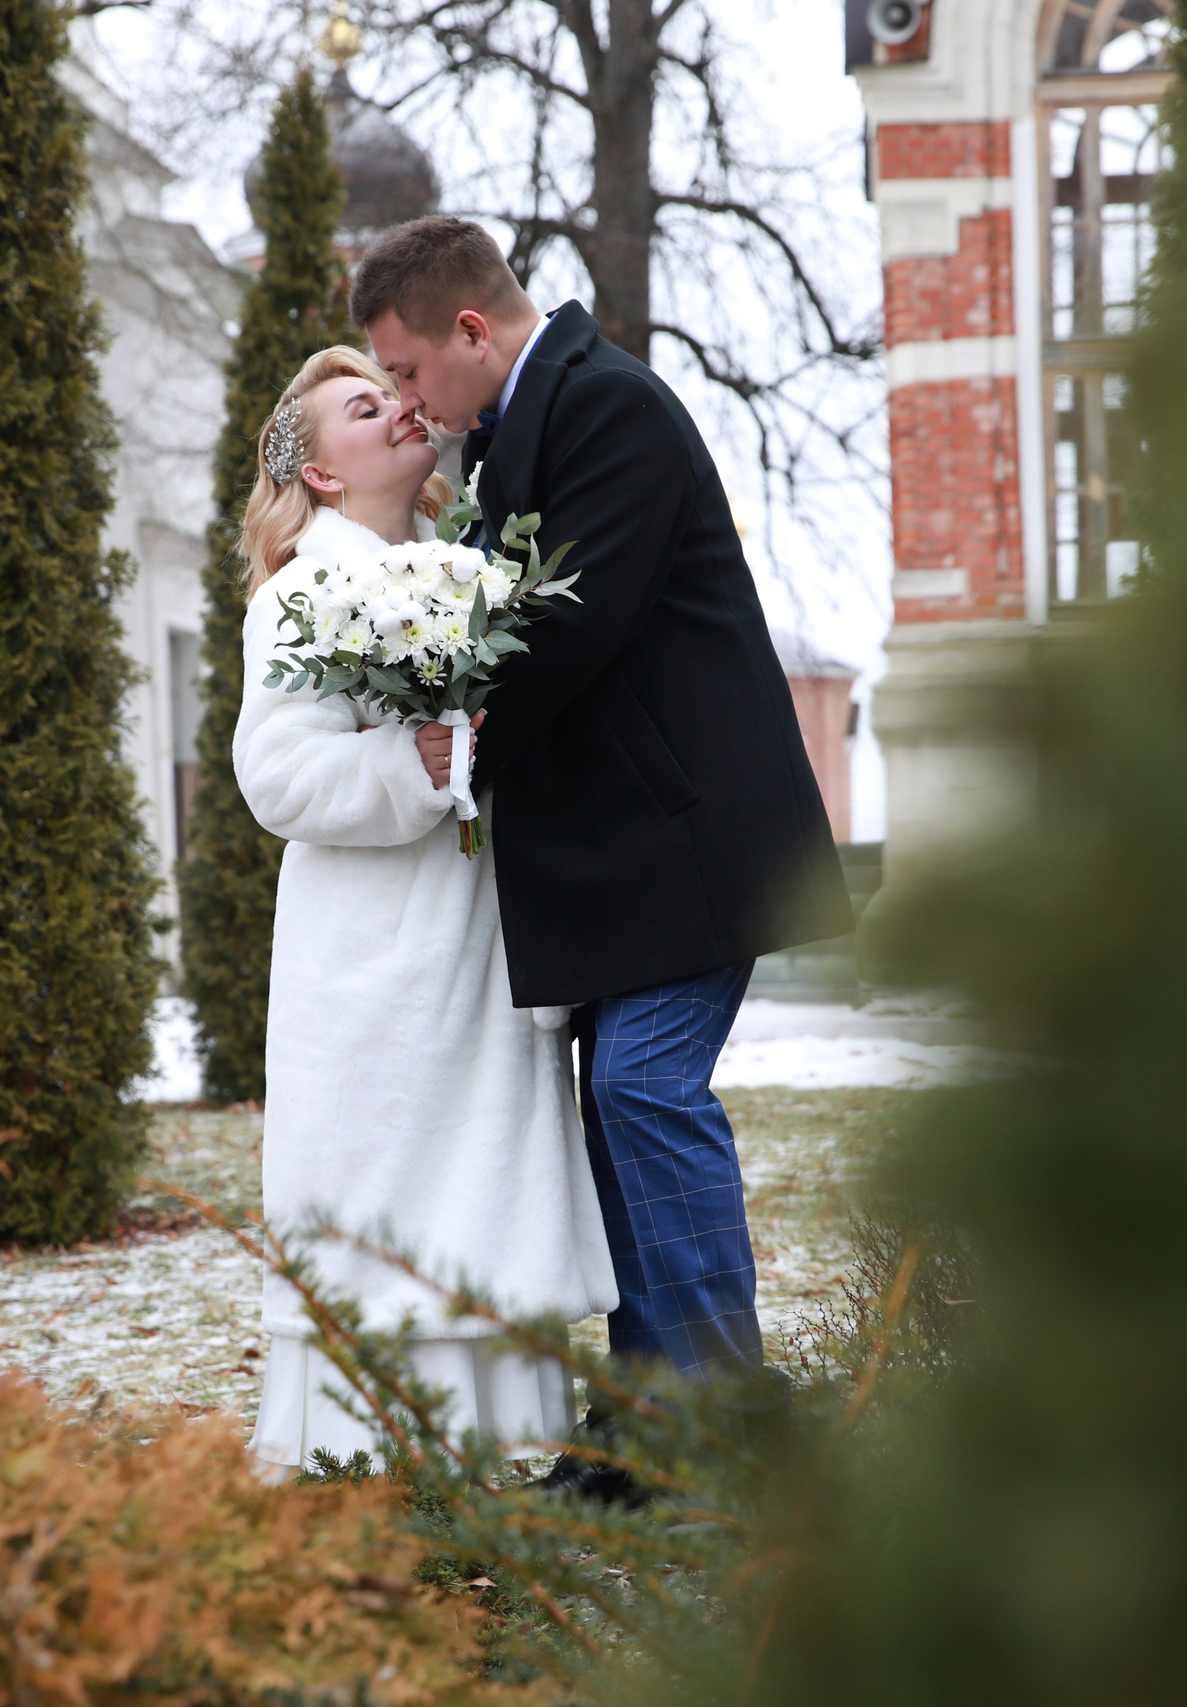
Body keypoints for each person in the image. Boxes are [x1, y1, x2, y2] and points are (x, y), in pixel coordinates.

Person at [351, 220, 852, 1432]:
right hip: (618, 861)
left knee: (641, 1093)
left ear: (472, 330)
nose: (407, 402)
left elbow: (572, 626)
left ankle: (733, 1413)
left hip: (690, 841)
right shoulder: (520, 432)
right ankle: (641, 1424)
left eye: (409, 371)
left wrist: (459, 735)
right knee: (613, 1114)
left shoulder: (607, 406)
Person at [230, 345, 618, 1475]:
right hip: (376, 957)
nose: (400, 409)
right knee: (397, 1197)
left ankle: (501, 1441)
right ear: (320, 475)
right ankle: (379, 1454)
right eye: (363, 406)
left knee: (482, 1187)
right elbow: (278, 778)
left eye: (394, 393)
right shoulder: (305, 587)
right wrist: (416, 762)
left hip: (475, 939)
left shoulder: (462, 566)